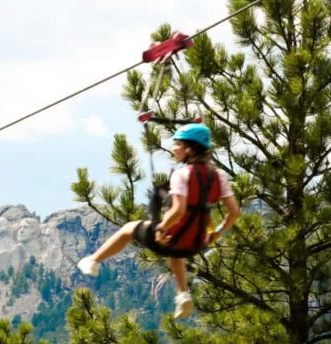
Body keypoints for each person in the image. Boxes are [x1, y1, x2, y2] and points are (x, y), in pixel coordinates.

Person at [77, 123, 239, 318]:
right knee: (177, 251)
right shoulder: (218, 176)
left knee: (130, 228)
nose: (174, 148)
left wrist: (161, 229)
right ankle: (182, 294)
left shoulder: (182, 174)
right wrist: (216, 234)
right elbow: (234, 212)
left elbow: (178, 211)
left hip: (172, 236)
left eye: (177, 144)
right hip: (197, 242)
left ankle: (94, 260)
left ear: (189, 148)